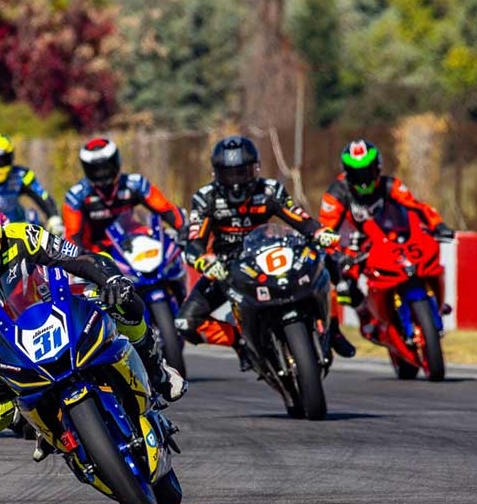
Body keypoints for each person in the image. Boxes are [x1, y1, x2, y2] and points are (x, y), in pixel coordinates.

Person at [0, 188, 185, 448]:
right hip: (2, 341)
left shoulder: (22, 236)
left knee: (123, 300)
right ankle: (38, 425)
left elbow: (79, 258)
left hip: (54, 303)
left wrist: (112, 280)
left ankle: (156, 369)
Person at [176, 135, 355, 364]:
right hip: (226, 266)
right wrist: (203, 261)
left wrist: (320, 233)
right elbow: (195, 241)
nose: (236, 182)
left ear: (256, 169)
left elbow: (299, 219)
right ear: (216, 174)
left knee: (324, 259)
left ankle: (333, 329)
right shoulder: (205, 198)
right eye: (229, 175)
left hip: (268, 254)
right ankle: (241, 341)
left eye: (242, 173)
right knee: (185, 323)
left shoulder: (270, 190)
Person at [319, 139, 456, 311]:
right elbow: (325, 230)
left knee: (419, 259)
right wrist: (336, 255)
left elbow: (416, 206)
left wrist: (438, 225)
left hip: (386, 240)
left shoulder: (390, 185)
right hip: (352, 247)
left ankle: (432, 300)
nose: (364, 180)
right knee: (345, 289)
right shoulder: (336, 193)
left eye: (368, 172)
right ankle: (365, 314)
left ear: (378, 168)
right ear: (347, 173)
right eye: (357, 174)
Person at [62, 137, 187, 253]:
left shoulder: (136, 184)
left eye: (106, 167)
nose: (102, 173)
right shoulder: (76, 196)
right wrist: (81, 257)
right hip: (96, 252)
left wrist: (182, 229)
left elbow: (165, 208)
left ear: (116, 161)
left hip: (131, 244)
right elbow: (72, 235)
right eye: (96, 170)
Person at [0, 132, 63, 234]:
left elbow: (43, 197)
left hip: (19, 226)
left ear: (11, 157)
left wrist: (54, 220)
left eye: (3, 159)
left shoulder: (22, 175)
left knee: (35, 219)